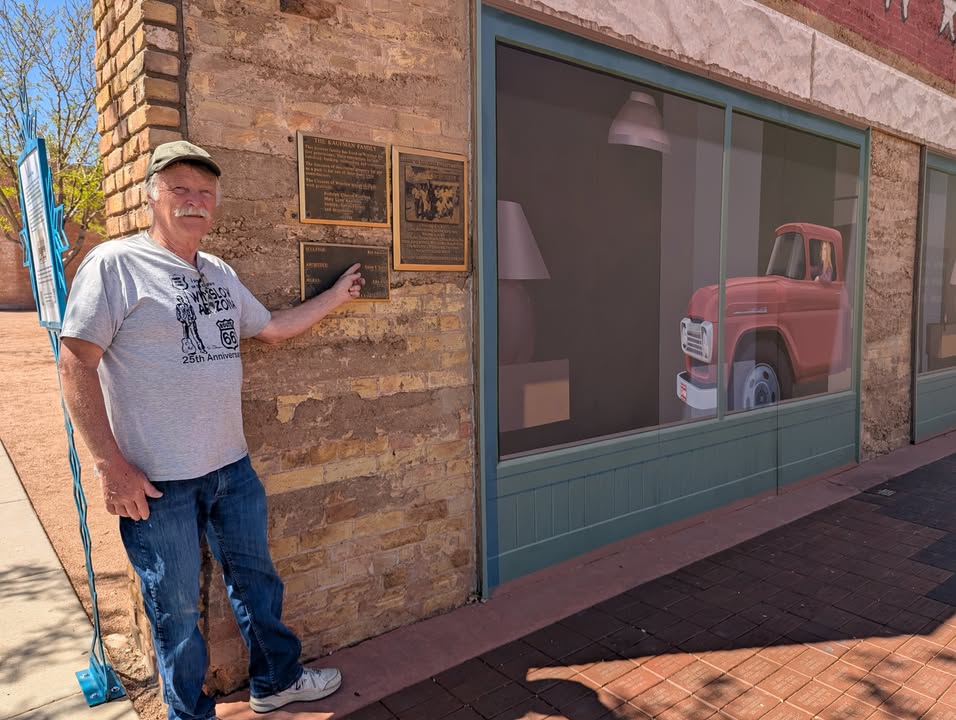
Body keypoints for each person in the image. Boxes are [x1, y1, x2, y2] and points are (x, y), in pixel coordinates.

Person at [58, 141, 365, 720]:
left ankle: (276, 680)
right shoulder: (116, 266)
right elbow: (75, 361)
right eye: (180, 189)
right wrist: (108, 465)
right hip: (157, 483)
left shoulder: (220, 272)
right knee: (174, 612)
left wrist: (333, 299)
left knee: (258, 584)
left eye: (204, 192)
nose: (195, 201)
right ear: (151, 195)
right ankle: (188, 714)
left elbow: (270, 328)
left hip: (232, 468)